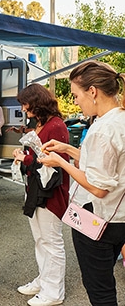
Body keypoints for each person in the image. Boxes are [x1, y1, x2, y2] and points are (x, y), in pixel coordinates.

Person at [39, 61, 125, 306]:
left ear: (93, 91)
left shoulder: (102, 129)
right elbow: (106, 164)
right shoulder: (117, 119)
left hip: (97, 217)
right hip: (119, 217)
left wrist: (61, 162)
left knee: (100, 292)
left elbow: (98, 186)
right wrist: (68, 150)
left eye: (76, 95)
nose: (75, 102)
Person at [12, 84, 70, 306]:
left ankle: (54, 291)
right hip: (36, 189)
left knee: (51, 241)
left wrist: (25, 159)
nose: (24, 109)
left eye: (25, 104)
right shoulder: (43, 123)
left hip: (50, 193)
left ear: (36, 103)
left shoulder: (55, 126)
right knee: (40, 239)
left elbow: (55, 165)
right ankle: (44, 280)